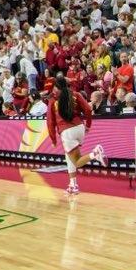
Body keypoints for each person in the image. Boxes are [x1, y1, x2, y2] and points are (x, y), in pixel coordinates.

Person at [46, 68, 100, 197]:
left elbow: (50, 122)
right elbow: (87, 109)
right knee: (69, 156)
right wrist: (88, 125)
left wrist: (53, 139)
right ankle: (73, 184)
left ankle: (95, 154)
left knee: (76, 161)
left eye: (54, 87)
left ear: (57, 88)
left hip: (67, 131)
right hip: (79, 128)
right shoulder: (76, 94)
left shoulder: (53, 101)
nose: (53, 90)